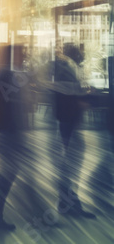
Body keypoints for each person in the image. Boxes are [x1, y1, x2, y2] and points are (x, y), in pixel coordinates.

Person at [53, 44, 95, 219]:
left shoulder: (64, 68)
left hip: (67, 120)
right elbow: (72, 94)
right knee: (72, 163)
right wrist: (84, 96)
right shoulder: (67, 69)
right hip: (70, 121)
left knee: (69, 163)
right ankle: (70, 203)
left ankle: (67, 202)